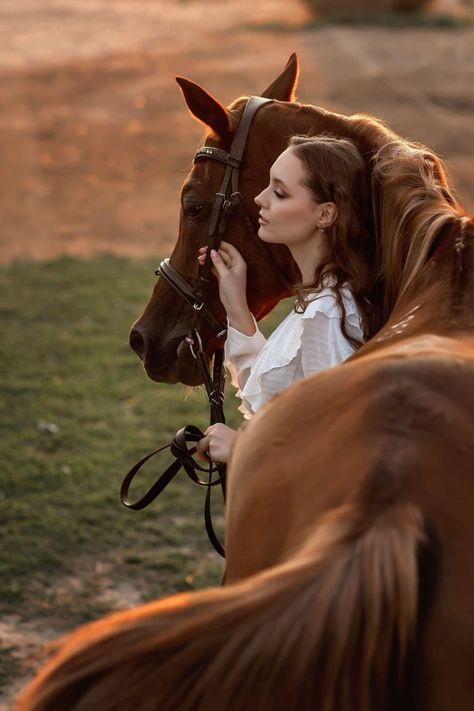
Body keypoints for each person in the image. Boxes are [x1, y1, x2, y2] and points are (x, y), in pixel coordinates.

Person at [196, 134, 374, 464]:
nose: (260, 198)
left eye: (279, 192)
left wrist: (242, 450)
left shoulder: (329, 315)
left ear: (325, 214)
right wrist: (236, 306)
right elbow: (276, 398)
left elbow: (342, 450)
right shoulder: (319, 298)